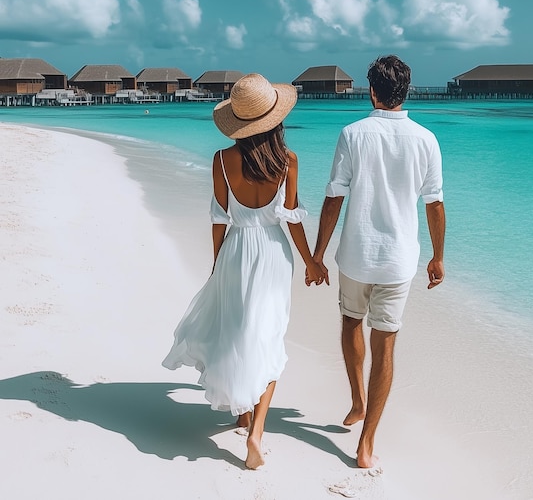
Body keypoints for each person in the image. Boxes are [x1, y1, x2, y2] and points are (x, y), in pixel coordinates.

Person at [163, 73, 324, 469]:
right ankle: (254, 433)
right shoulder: (288, 161)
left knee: (237, 329)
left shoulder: (221, 160)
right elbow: (292, 220)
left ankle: (242, 414)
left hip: (236, 250)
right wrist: (311, 261)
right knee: (267, 335)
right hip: (272, 253)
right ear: (275, 118)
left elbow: (219, 220)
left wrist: (217, 265)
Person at [311, 55, 446, 468]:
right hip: (399, 260)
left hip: (355, 255)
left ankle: (357, 401)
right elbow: (434, 204)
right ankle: (366, 443)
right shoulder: (426, 139)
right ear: (406, 91)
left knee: (351, 322)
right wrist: (438, 257)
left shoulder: (353, 134)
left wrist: (317, 254)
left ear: (371, 91)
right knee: (385, 344)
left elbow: (334, 197)